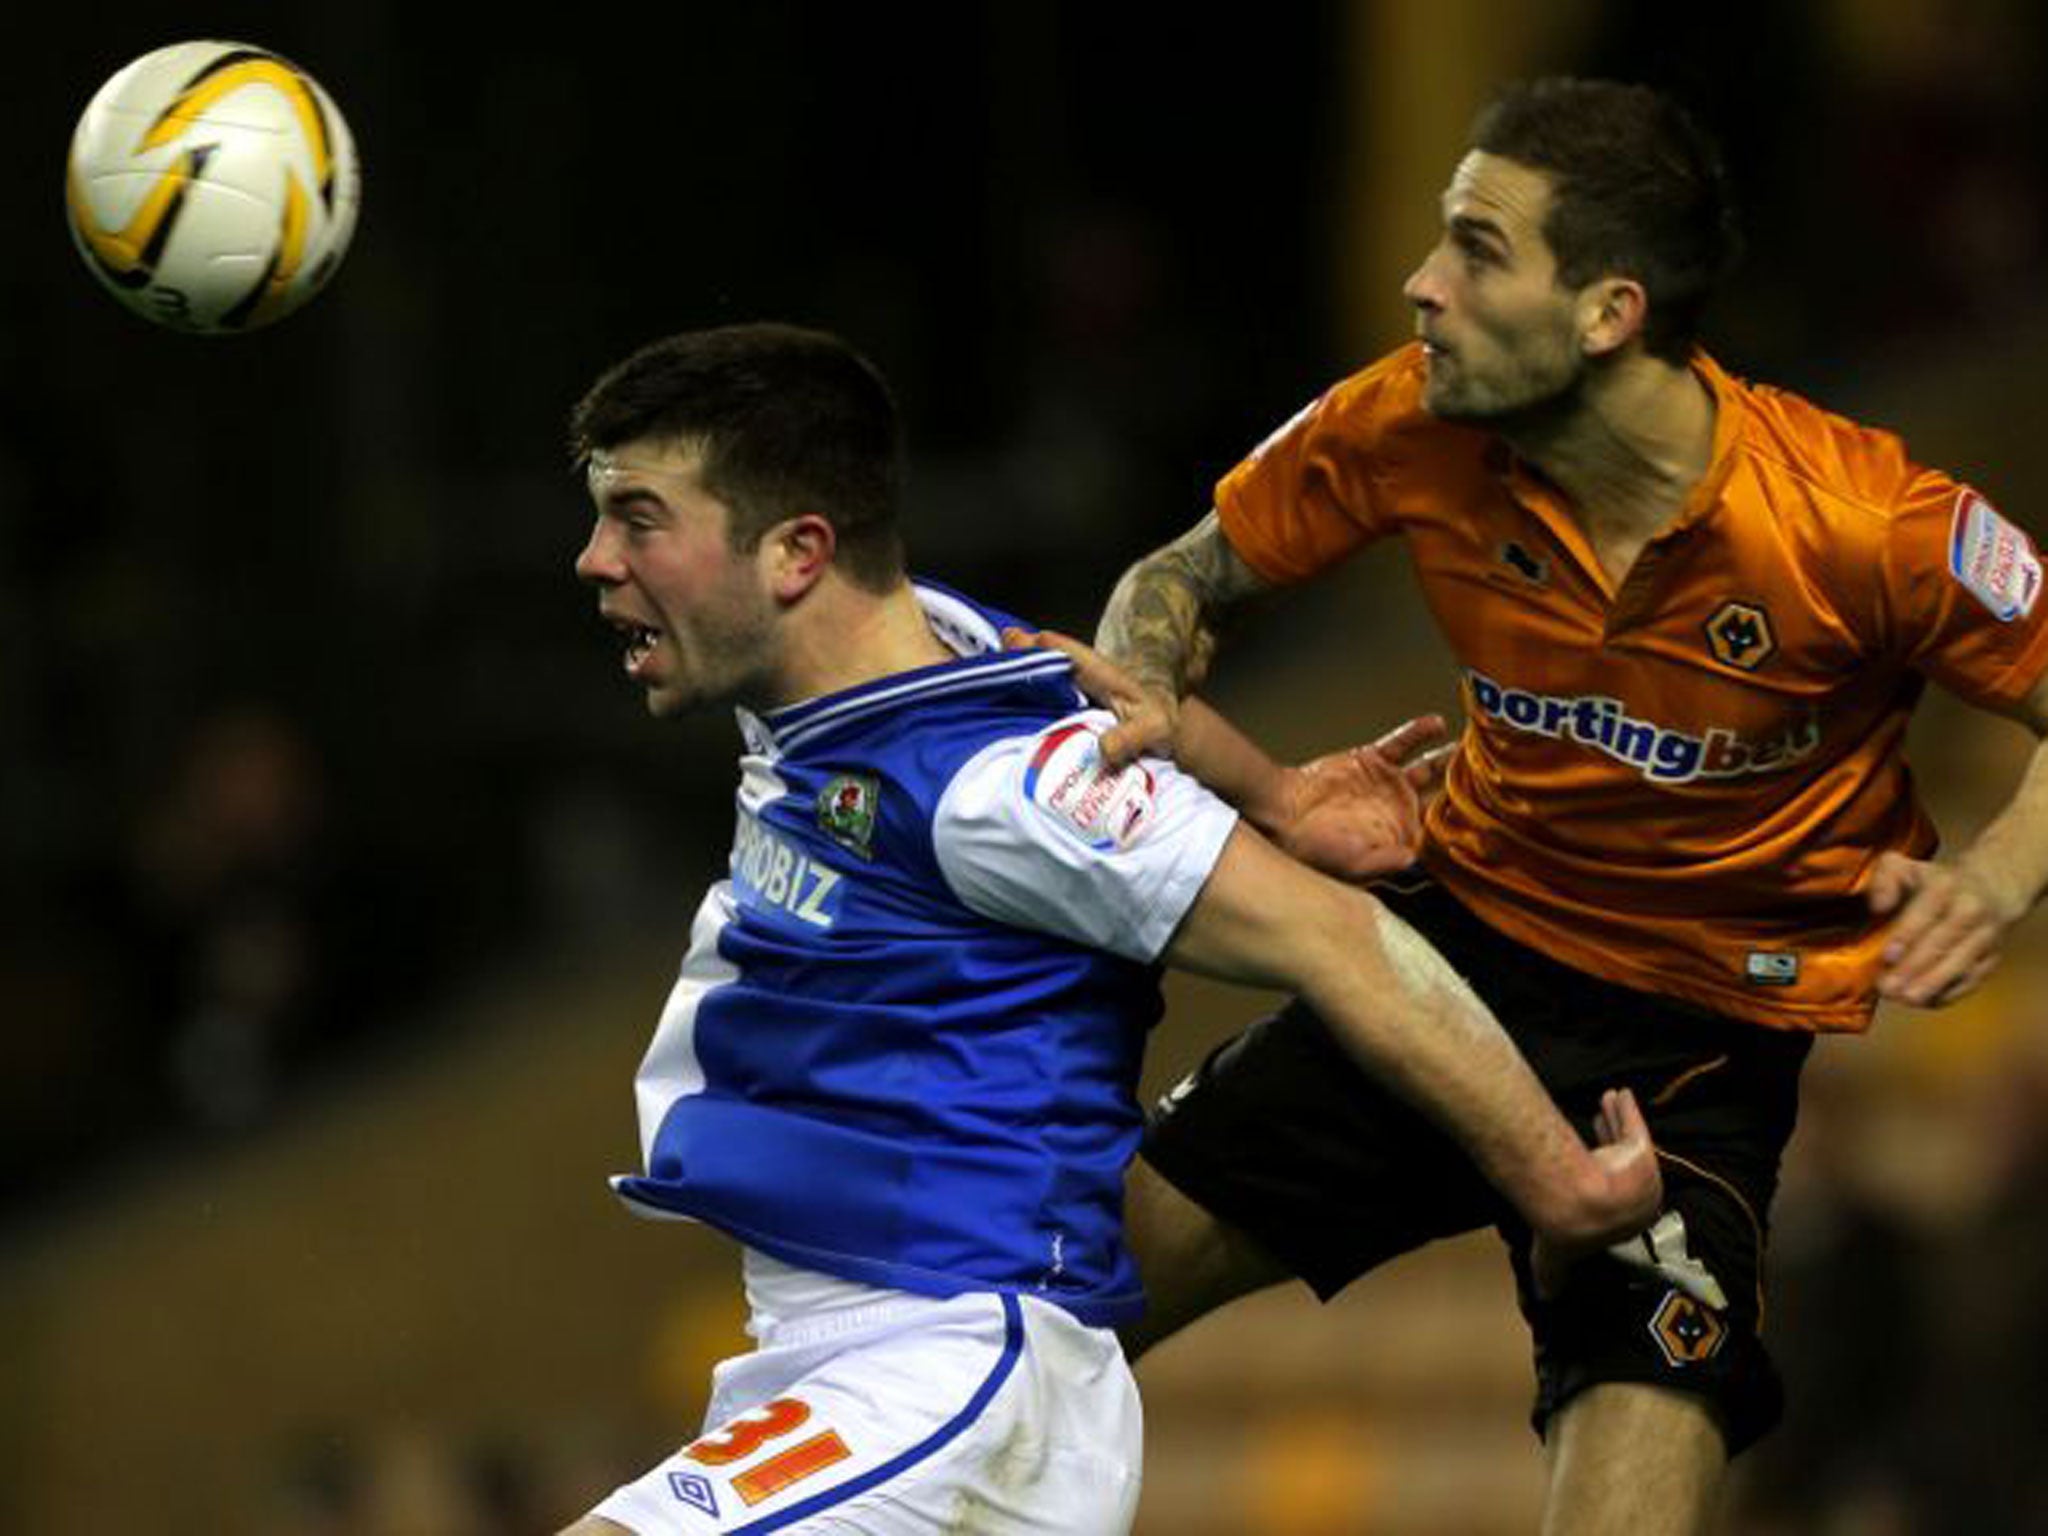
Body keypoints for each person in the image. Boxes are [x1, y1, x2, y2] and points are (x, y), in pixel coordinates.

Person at [1073, 76, 2048, 1536]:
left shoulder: (1867, 526)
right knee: (1029, 1319)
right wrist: (1146, 681)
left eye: (1475, 248)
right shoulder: (1407, 423)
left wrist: (1992, 879)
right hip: (1443, 969)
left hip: (1696, 1060)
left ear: (1607, 312)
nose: (1422, 285)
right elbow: (1184, 573)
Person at [553, 322, 1662, 1535]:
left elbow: (1335, 941)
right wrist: (1278, 793)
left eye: (639, 517)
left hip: (949, 1368)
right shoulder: (869, 665)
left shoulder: (992, 789)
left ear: (798, 553)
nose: (594, 559)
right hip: (822, 1357)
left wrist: (1557, 1181)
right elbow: (1086, 701)